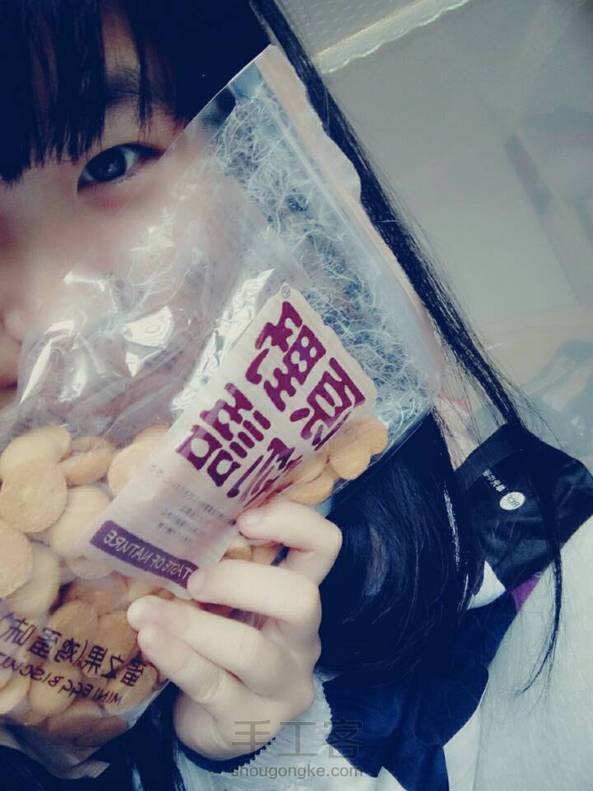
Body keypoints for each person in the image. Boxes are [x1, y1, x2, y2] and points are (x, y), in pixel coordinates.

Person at [0, 2, 591, 790]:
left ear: (247, 159)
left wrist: (258, 751)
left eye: (113, 164)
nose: (53, 313)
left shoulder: (539, 601)